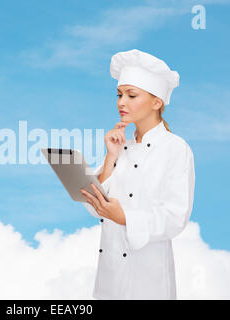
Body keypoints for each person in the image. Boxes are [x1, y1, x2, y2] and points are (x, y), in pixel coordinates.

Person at [80, 49, 195, 300]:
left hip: (149, 281)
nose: (121, 102)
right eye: (119, 94)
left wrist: (125, 218)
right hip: (109, 278)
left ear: (157, 102)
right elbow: (94, 206)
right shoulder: (121, 146)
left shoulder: (175, 149)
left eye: (132, 95)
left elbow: (175, 217)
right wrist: (111, 156)